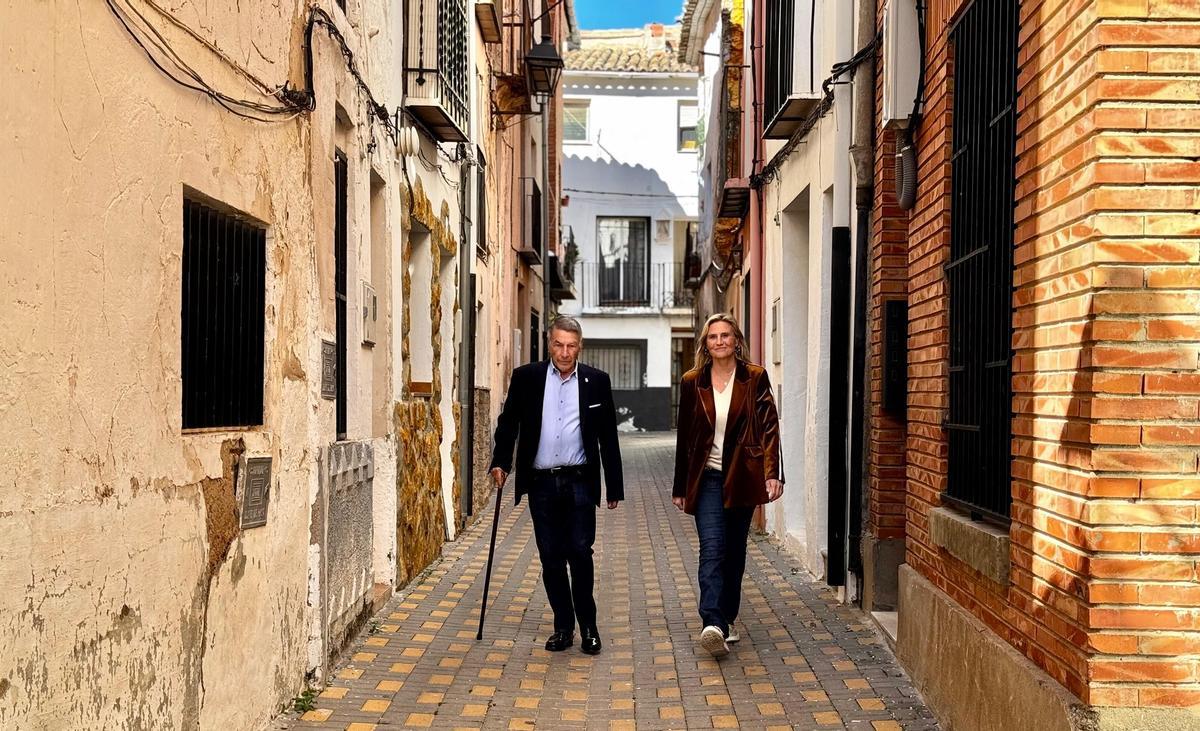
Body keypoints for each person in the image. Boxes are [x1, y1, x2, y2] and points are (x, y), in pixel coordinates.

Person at [490, 315, 624, 655]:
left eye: (571, 345)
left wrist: (615, 488)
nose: (564, 352)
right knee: (550, 556)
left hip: (580, 478)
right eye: (558, 344)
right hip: (542, 482)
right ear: (549, 344)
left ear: (580, 346)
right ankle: (563, 626)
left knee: (580, 553)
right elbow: (509, 425)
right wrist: (500, 462)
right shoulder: (526, 378)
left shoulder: (596, 381)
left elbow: (608, 436)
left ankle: (588, 627)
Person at [672, 313, 784, 658]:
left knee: (734, 552)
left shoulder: (754, 377)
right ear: (705, 344)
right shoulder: (693, 382)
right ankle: (713, 623)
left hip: (744, 476)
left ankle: (727, 618)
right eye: (713, 337)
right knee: (713, 547)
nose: (719, 341)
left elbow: (769, 426)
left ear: (736, 340)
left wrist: (773, 472)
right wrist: (680, 485)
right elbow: (686, 437)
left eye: (725, 335)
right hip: (706, 477)